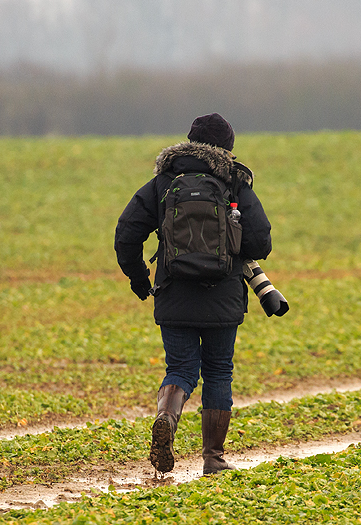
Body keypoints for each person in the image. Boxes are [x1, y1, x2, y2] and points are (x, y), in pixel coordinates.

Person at [114, 113, 272, 475]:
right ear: (227, 148)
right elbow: (261, 239)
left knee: (181, 369)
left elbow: (126, 235)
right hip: (224, 296)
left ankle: (167, 418)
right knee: (218, 372)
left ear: (188, 142)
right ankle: (214, 459)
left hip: (173, 295)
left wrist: (141, 280)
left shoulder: (162, 183)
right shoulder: (234, 182)